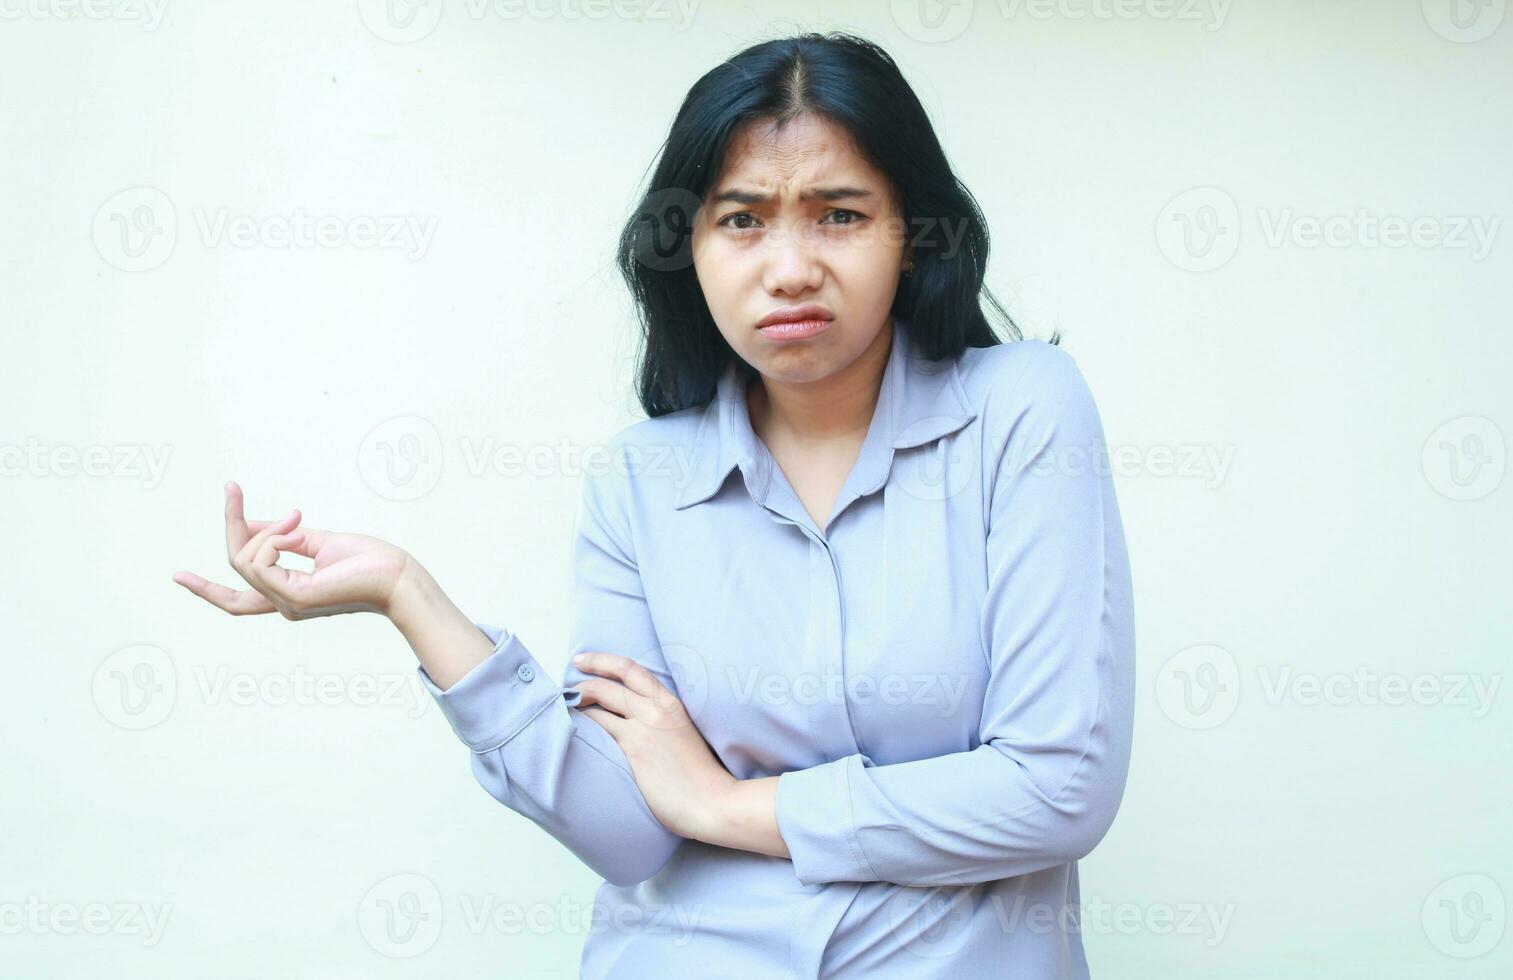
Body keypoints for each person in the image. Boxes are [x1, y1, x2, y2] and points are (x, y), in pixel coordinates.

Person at [174, 31, 1135, 979]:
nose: (790, 266)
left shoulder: (1022, 410)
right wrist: (407, 595)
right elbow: (630, 835)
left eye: (839, 215)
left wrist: (722, 808)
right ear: (689, 249)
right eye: (742, 220)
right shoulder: (637, 481)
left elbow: (1056, 788)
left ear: (912, 237)